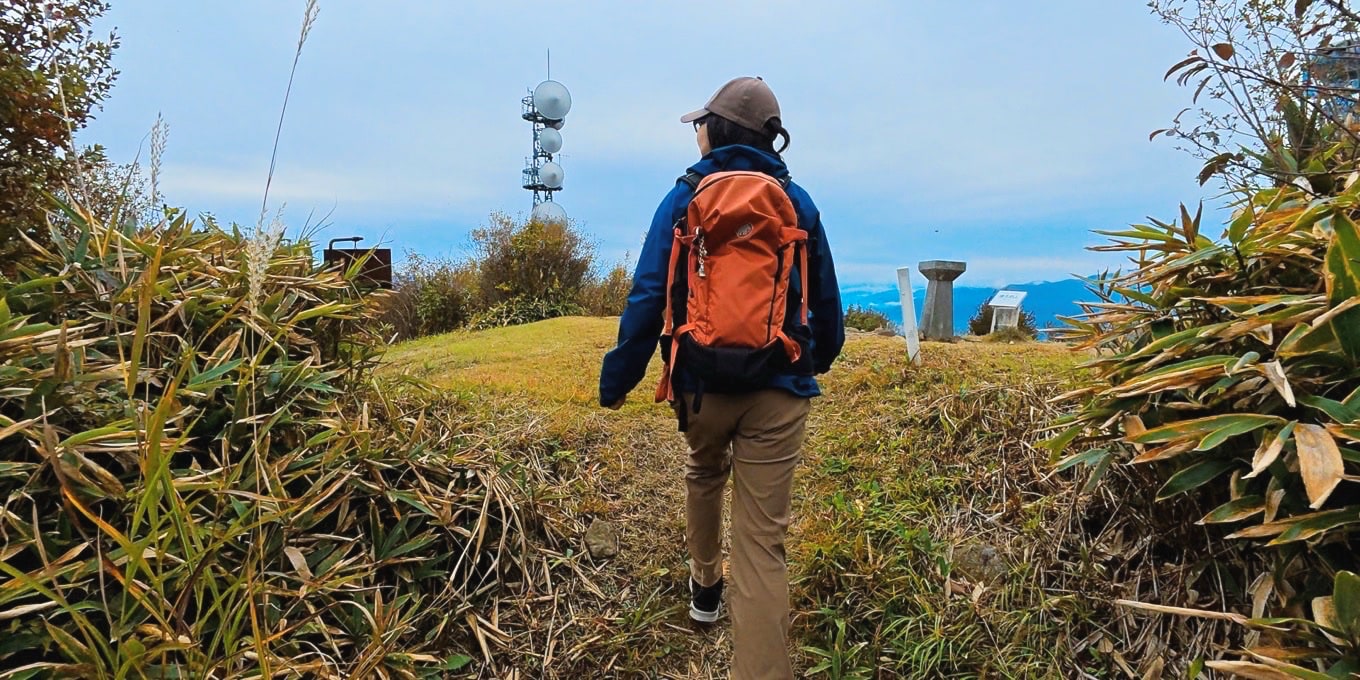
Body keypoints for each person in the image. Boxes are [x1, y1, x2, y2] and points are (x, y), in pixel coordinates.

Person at [598, 76, 844, 680]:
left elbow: (649, 295)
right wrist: (815, 361)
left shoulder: (683, 196)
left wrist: (618, 378)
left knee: (704, 472)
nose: (697, 132)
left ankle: (705, 589)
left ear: (718, 130)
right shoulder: (799, 201)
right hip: (778, 389)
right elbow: (826, 305)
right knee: (762, 546)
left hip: (700, 385)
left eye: (700, 123)